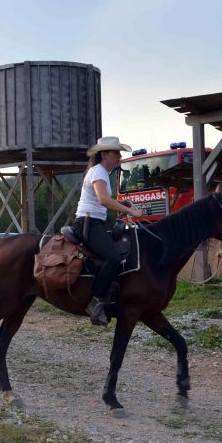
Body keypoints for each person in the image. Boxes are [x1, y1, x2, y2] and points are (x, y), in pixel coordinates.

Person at [73, 136, 143, 326]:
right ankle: (95, 301)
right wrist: (130, 210)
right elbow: (103, 200)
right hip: (89, 224)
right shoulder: (99, 172)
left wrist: (121, 203)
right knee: (113, 258)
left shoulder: (100, 172)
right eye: (116, 153)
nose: (119, 156)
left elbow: (100, 199)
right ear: (105, 154)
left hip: (94, 223)